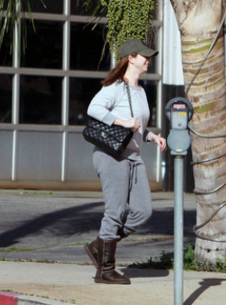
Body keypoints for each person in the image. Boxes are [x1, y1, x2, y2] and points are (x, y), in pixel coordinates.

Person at [84, 39, 167, 285]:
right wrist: (122, 121)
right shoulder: (116, 86)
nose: (148, 59)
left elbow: (138, 124)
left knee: (143, 210)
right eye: (144, 56)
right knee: (116, 210)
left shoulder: (140, 90)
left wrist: (151, 136)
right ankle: (106, 270)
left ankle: (100, 244)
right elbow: (94, 108)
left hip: (133, 155)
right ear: (130, 58)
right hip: (111, 155)